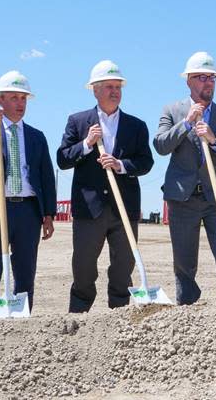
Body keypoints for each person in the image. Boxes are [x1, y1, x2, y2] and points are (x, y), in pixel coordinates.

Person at [57, 60, 154, 311]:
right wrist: (87, 144)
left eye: (118, 86)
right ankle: (78, 317)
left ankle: (119, 319)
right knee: (84, 269)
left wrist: (121, 165)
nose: (115, 91)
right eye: (109, 86)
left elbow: (146, 162)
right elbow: (63, 158)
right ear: (95, 89)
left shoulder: (136, 126)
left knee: (123, 269)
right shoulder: (78, 122)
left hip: (125, 209)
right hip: (90, 209)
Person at [153, 52, 216, 305]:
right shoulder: (171, 110)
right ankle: (187, 308)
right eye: (202, 77)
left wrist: (215, 141)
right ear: (188, 81)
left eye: (212, 77)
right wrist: (185, 123)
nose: (208, 82)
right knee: (184, 261)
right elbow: (160, 145)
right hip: (182, 198)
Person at [0, 71, 57, 314]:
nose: (20, 104)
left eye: (23, 98)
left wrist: (48, 214)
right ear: (0, 100)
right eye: (14, 98)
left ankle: (21, 315)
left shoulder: (36, 136)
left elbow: (46, 177)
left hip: (28, 210)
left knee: (26, 270)